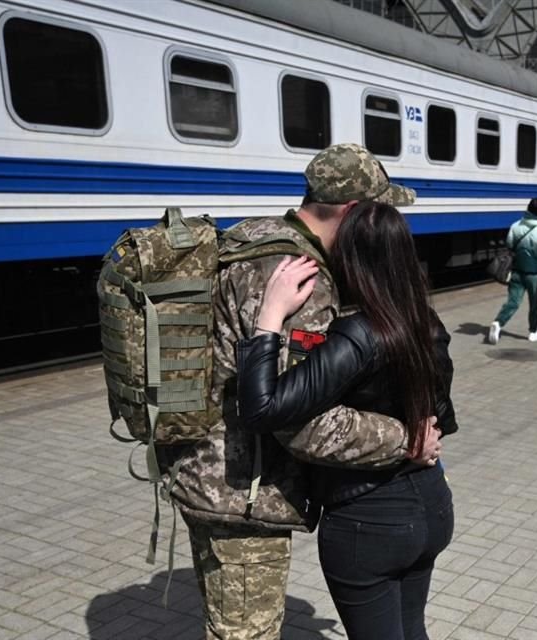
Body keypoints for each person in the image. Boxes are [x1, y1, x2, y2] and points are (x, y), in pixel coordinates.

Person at [163, 143, 443, 640]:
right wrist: (405, 439)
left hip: (208, 473)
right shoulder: (302, 277)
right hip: (247, 493)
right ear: (355, 212)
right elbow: (303, 422)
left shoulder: (255, 235)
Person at [235, 200, 457, 640]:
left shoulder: (358, 335)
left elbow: (262, 408)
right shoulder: (426, 323)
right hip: (432, 505)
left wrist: (270, 317)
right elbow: (442, 419)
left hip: (368, 521)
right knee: (413, 632)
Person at [488, 198, 537, 344]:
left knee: (513, 302)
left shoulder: (516, 226)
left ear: (528, 210)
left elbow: (510, 245)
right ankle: (533, 332)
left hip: (517, 272)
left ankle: (498, 323)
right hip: (534, 276)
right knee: (534, 305)